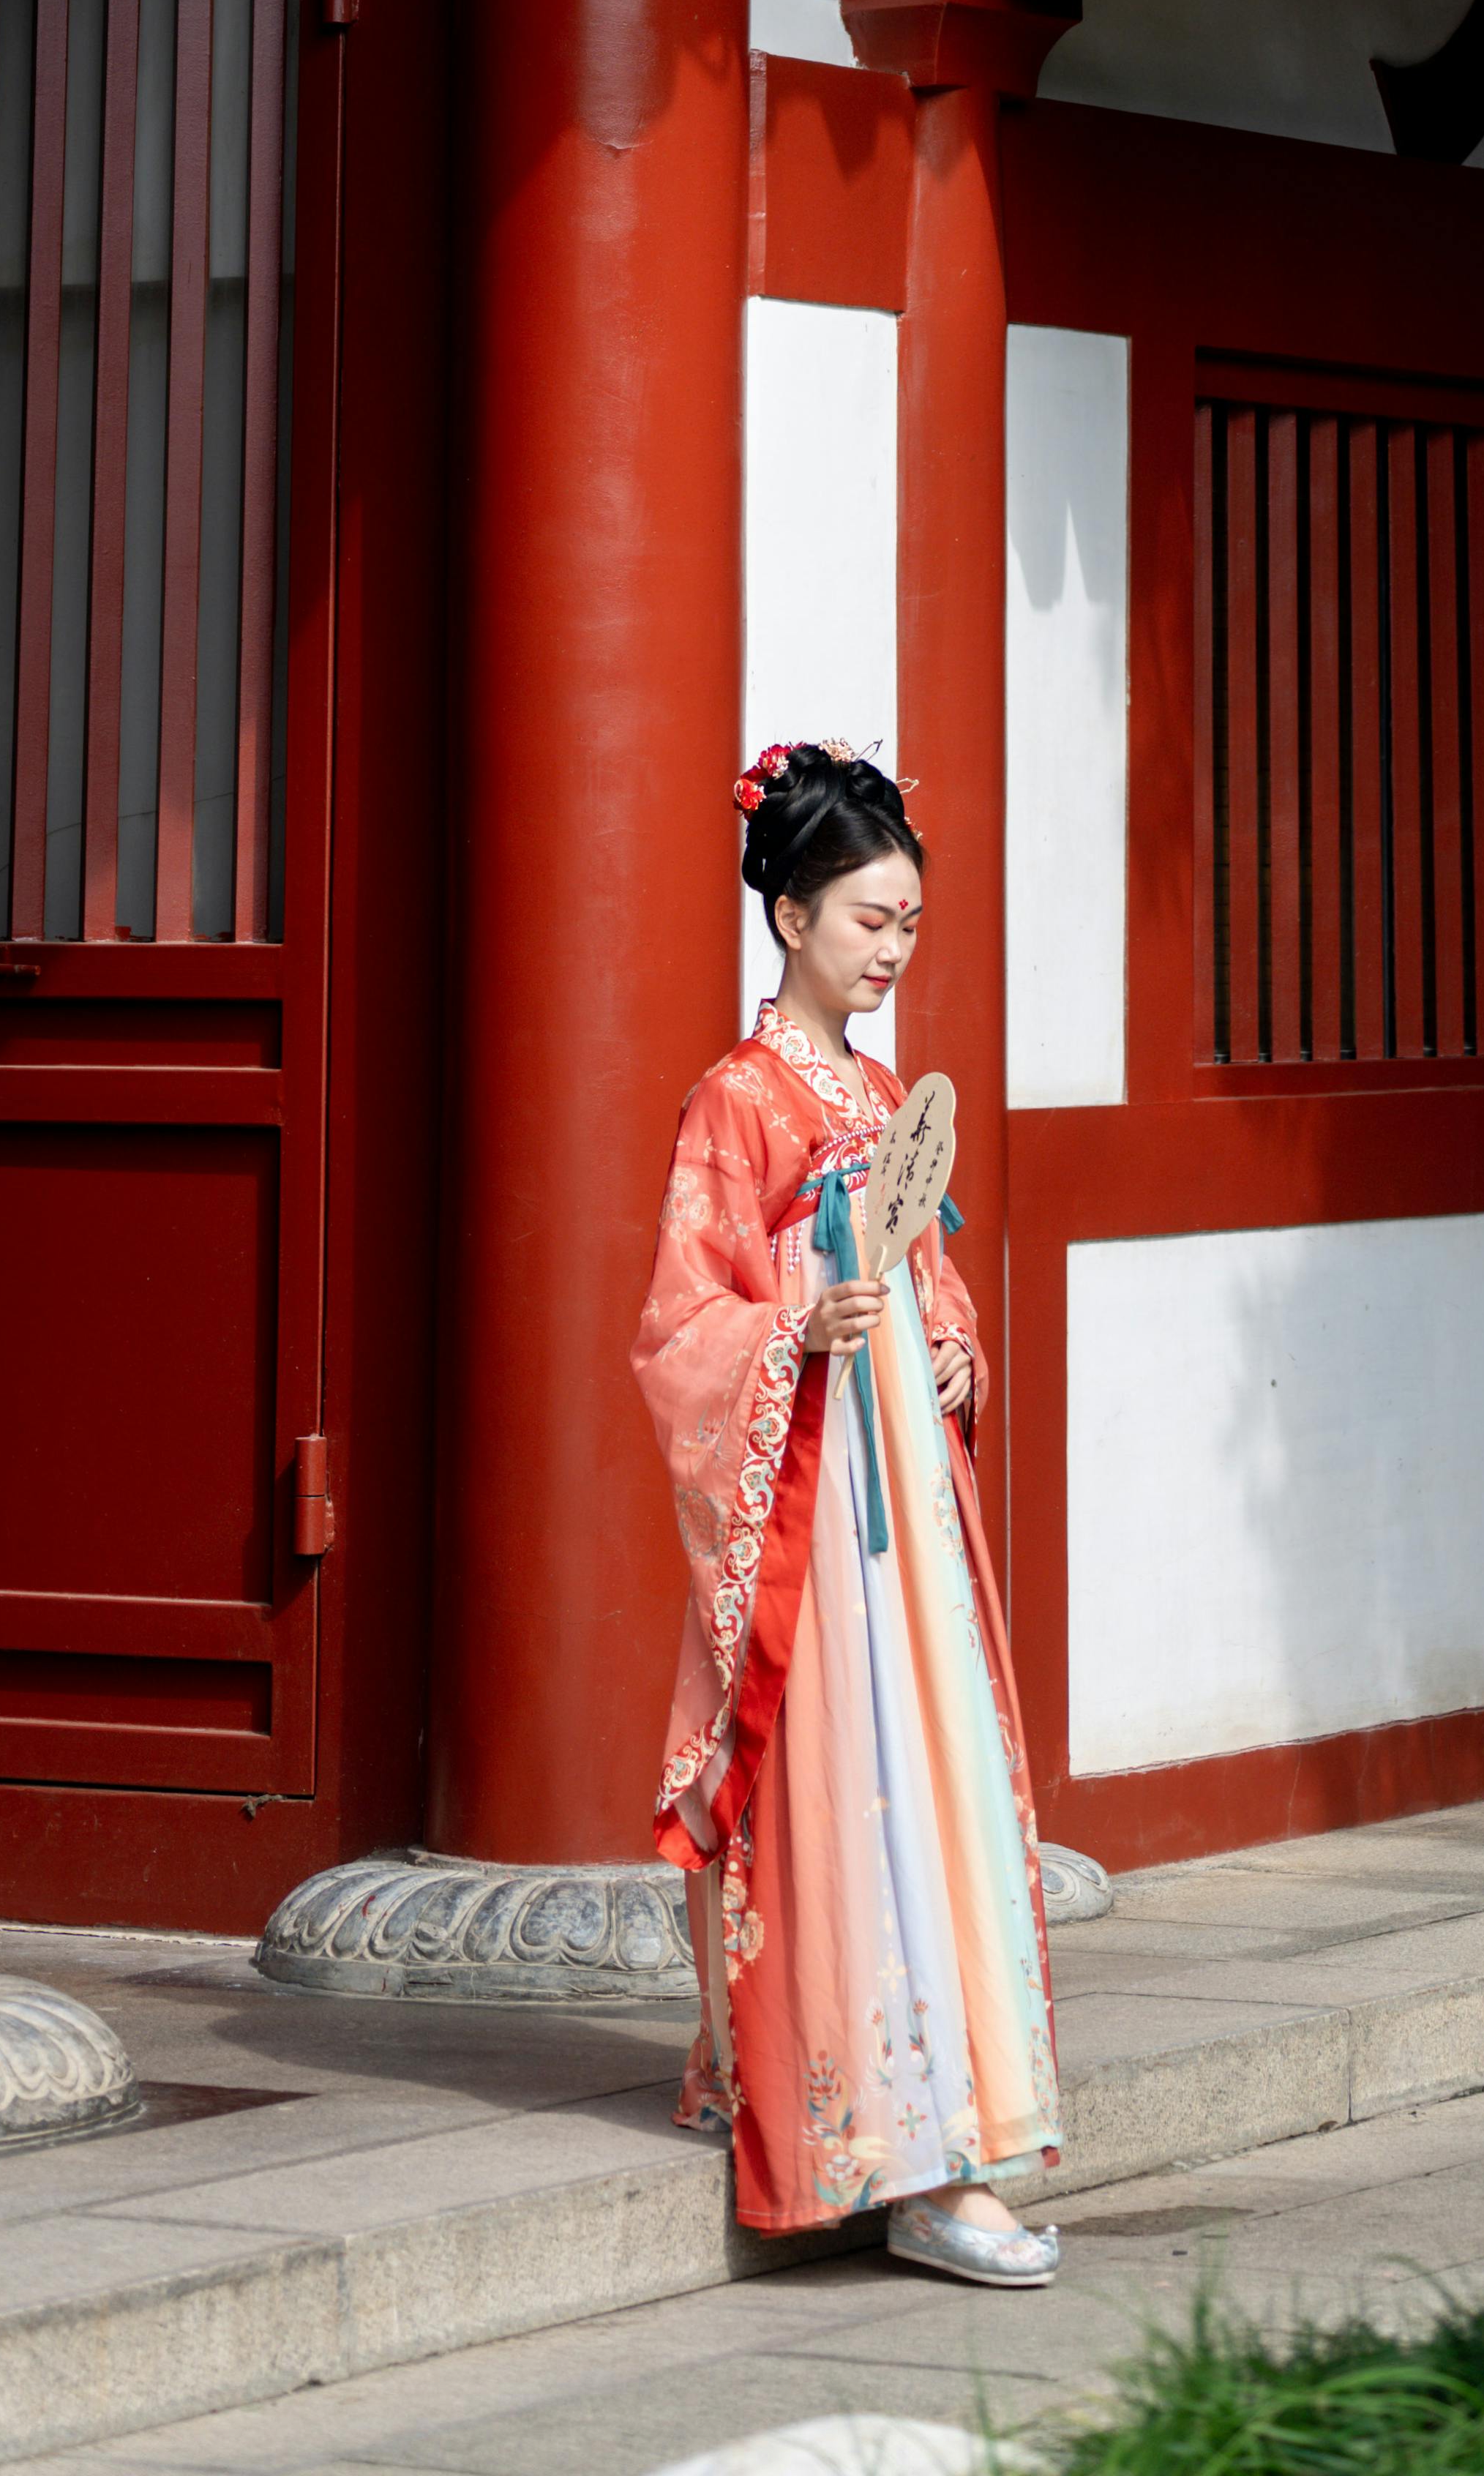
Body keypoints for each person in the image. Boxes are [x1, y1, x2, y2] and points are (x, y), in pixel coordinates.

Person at [635, 738, 1065, 2283]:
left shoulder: (883, 1096)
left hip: (906, 1512)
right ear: (793, 915)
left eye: (907, 924)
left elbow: (929, 1281)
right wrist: (793, 1327)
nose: (892, 949)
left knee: (928, 1781)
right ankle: (878, 2138)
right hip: (812, 1509)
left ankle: (949, 2112)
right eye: (871, 919)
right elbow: (682, 1329)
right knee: (839, 1788)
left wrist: (946, 1336)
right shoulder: (734, 1103)